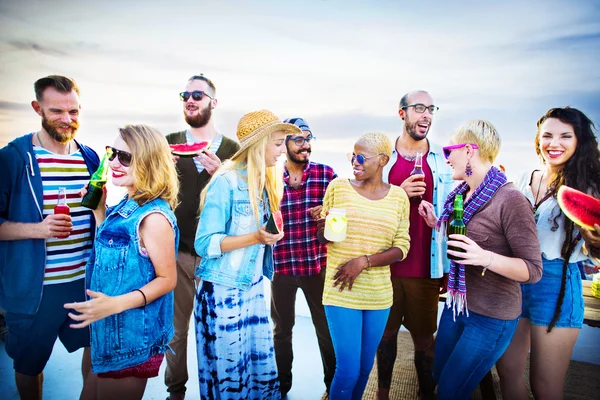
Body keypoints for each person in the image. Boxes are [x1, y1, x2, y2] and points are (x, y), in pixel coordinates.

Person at [417, 120, 543, 400]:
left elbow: (533, 270)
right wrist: (437, 223)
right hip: (458, 305)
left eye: (451, 150)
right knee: (439, 374)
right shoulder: (461, 195)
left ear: (470, 150)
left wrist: (484, 257)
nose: (447, 157)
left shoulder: (511, 200)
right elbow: (467, 234)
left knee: (450, 390)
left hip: (492, 317)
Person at [0, 75, 100, 400]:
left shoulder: (91, 159)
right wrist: (39, 229)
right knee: (29, 365)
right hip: (34, 290)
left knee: (95, 353)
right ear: (37, 108)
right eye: (57, 111)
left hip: (85, 283)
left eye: (73, 111)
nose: (67, 119)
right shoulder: (13, 158)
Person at [65, 124, 180, 399]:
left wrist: (114, 304)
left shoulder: (153, 218)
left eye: (125, 157)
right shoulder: (126, 208)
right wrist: (99, 210)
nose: (114, 162)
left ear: (149, 161)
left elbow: (168, 280)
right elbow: (117, 254)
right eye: (112, 153)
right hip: (107, 333)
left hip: (130, 340)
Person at [194, 109, 301, 399]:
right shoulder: (225, 181)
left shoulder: (264, 182)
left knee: (255, 378)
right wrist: (255, 237)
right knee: (229, 382)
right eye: (278, 143)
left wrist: (268, 238)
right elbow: (204, 244)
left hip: (252, 289)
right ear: (258, 144)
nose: (283, 150)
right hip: (223, 293)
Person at [496, 107, 600, 400]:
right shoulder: (523, 177)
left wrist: (594, 239)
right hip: (515, 278)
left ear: (579, 141)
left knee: (545, 386)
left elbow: (597, 251)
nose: (554, 143)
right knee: (507, 372)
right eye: (547, 136)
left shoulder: (590, 188)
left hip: (556, 282)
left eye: (565, 136)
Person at [317, 132, 411, 400]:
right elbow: (324, 237)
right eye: (352, 156)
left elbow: (402, 247)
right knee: (347, 370)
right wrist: (322, 231)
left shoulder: (398, 198)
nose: (354, 163)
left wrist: (364, 262)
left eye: (361, 157)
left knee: (364, 368)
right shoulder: (338, 187)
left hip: (378, 295)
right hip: (340, 291)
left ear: (383, 160)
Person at [164, 74, 240, 400]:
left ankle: (219, 391)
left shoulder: (233, 150)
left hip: (218, 256)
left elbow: (245, 202)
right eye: (185, 95)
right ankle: (175, 392)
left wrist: (220, 172)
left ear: (213, 102)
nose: (190, 100)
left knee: (219, 331)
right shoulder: (168, 142)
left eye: (198, 94)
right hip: (176, 252)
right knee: (176, 332)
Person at [376, 90, 453, 400]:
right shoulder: (383, 158)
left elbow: (458, 210)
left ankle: (426, 393)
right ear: (402, 113)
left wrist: (450, 267)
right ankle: (382, 392)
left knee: (424, 340)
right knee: (386, 335)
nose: (426, 115)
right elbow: (364, 203)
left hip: (426, 267)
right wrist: (397, 192)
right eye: (419, 108)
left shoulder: (445, 161)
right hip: (385, 266)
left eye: (431, 109)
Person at [271, 117, 337, 397]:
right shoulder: (271, 179)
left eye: (308, 138)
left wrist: (328, 210)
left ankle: (332, 388)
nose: (305, 145)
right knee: (282, 331)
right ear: (284, 142)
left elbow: (342, 216)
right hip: (282, 267)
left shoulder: (326, 174)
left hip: (317, 267)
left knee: (325, 330)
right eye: (298, 139)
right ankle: (282, 387)